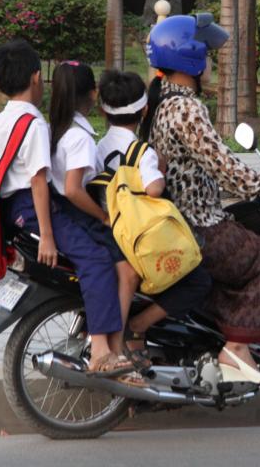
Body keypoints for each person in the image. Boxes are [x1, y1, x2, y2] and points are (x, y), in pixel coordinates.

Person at [139, 14, 260, 385]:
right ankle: (236, 348)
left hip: (178, 220)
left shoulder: (160, 103)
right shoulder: (186, 108)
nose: (212, 66)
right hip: (198, 226)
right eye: (209, 57)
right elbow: (224, 166)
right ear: (192, 60)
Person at [0, 42, 131, 381]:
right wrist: (47, 237)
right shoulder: (34, 124)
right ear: (37, 78)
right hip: (31, 206)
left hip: (9, 209)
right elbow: (37, 181)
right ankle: (101, 351)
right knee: (95, 259)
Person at [95, 70, 211, 360]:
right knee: (199, 281)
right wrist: (160, 168)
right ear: (145, 110)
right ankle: (139, 326)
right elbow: (155, 190)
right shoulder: (142, 151)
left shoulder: (98, 147)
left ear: (102, 111)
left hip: (109, 227)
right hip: (136, 235)